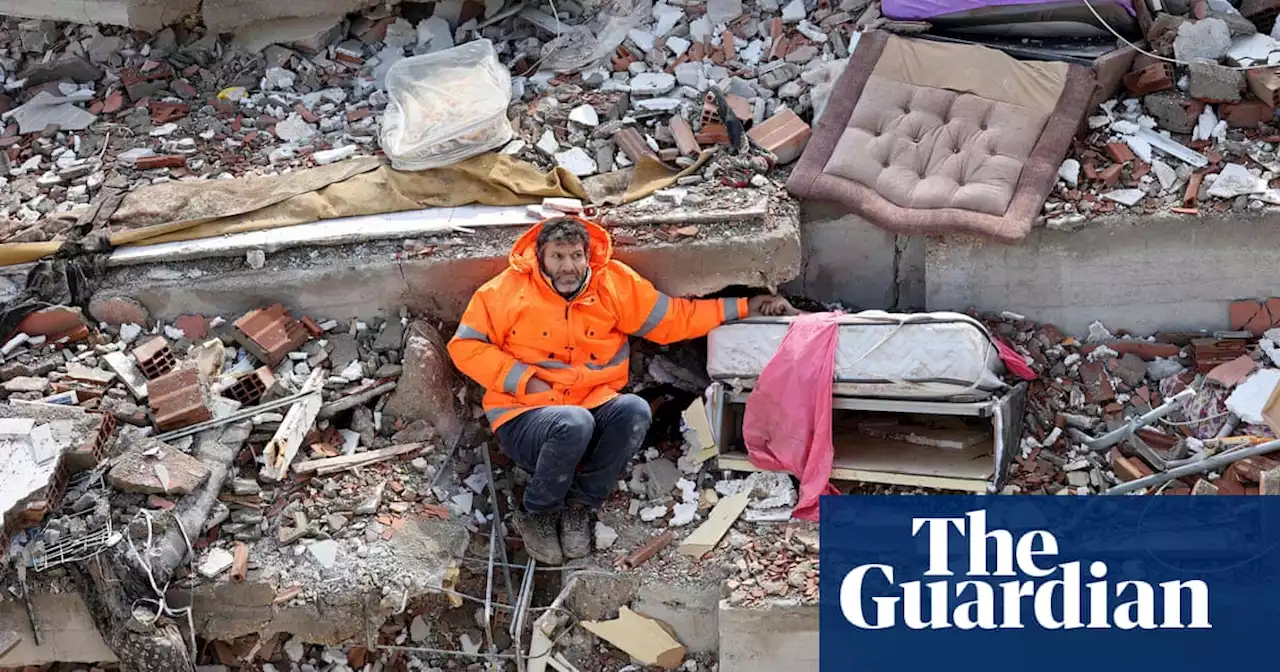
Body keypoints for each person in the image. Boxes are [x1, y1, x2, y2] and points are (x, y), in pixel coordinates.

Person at [447, 216, 797, 564]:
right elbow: (465, 347)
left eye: (576, 256)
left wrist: (745, 307)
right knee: (573, 423)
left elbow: (674, 319)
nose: (568, 266)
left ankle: (580, 508)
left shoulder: (612, 284)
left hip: (591, 407)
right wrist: (524, 380)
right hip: (525, 416)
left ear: (587, 256)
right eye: (557, 257)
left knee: (634, 410)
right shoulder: (505, 290)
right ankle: (538, 512)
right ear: (540, 258)